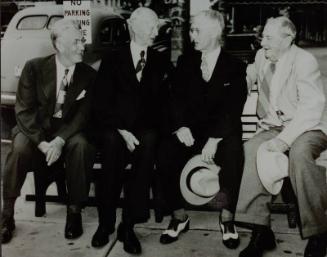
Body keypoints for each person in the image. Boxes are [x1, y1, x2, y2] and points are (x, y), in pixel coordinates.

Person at [235, 16, 327, 257]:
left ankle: (318, 233)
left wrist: (284, 140)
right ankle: (260, 230)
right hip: (273, 126)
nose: (262, 42)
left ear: (288, 39)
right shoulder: (261, 56)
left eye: (268, 38)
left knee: (299, 155)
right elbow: (249, 77)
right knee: (252, 149)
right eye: (262, 36)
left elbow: (312, 108)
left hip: (308, 126)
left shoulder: (304, 61)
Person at [157, 10, 247, 249]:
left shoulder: (235, 66)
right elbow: (172, 98)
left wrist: (215, 139)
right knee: (165, 151)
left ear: (215, 33)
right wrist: (179, 126)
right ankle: (179, 216)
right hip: (191, 133)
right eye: (191, 30)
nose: (191, 35)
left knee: (234, 152)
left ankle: (227, 218)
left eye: (197, 30)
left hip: (222, 134)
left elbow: (233, 108)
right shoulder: (186, 61)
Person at [1, 19, 96, 244]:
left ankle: (74, 212)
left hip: (70, 132)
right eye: (77, 41)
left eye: (82, 40)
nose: (82, 45)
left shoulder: (89, 75)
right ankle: (6, 215)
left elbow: (84, 115)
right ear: (60, 45)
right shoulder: (34, 68)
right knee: (20, 148)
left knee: (81, 146)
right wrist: (43, 143)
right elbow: (23, 111)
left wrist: (61, 140)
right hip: (36, 131)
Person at [91, 7, 171, 254]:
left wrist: (142, 129)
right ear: (134, 27)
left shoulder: (159, 60)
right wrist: (122, 130)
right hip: (114, 127)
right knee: (112, 145)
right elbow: (102, 102)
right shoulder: (113, 59)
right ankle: (105, 223)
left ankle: (128, 225)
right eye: (152, 26)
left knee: (148, 143)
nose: (156, 32)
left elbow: (162, 104)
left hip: (144, 128)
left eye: (157, 27)